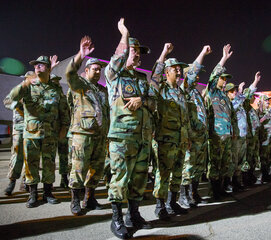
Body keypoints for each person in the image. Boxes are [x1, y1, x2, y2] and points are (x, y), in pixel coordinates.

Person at [104, 18, 153, 239]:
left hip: (142, 138)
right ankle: (116, 219)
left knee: (139, 179)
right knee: (120, 179)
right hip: (121, 137)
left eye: (139, 52)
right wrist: (124, 34)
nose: (137, 54)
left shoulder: (142, 79)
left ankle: (133, 215)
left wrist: (142, 100)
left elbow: (154, 102)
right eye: (134, 50)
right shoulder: (114, 74)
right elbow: (117, 59)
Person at [5, 55, 70, 208]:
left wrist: (64, 128)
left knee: (48, 164)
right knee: (31, 165)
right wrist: (25, 83)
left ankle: (47, 193)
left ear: (48, 68)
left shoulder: (56, 88)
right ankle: (33, 194)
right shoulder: (28, 86)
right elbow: (10, 98)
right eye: (35, 65)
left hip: (50, 134)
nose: (37, 67)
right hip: (31, 133)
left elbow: (64, 110)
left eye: (41, 65)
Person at [66, 36, 109, 216]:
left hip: (100, 135)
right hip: (83, 133)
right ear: (87, 70)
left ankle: (90, 198)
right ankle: (75, 200)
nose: (98, 72)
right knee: (79, 167)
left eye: (100, 69)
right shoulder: (79, 85)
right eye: (95, 69)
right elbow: (69, 73)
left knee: (97, 168)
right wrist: (81, 55)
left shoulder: (102, 90)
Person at [150, 43, 191, 218]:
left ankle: (172, 202)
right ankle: (160, 206)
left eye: (179, 70)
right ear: (167, 72)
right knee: (163, 173)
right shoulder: (161, 89)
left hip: (180, 139)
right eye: (175, 69)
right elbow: (155, 76)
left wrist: (187, 137)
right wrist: (164, 53)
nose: (179, 72)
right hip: (165, 139)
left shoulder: (180, 93)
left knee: (178, 173)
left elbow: (185, 117)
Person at [179, 45, 212, 207]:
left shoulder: (196, 93)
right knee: (188, 167)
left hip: (200, 137)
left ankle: (194, 192)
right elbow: (193, 73)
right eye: (195, 75)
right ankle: (183, 195)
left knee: (198, 167)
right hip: (190, 136)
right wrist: (202, 54)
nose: (198, 77)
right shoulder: (184, 89)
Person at [204, 44, 236, 200]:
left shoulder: (224, 97)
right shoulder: (212, 91)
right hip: (216, 135)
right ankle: (214, 191)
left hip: (226, 135)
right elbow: (212, 75)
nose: (224, 81)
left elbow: (230, 117)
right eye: (222, 78)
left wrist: (232, 132)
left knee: (225, 163)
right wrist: (223, 58)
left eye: (225, 79)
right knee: (215, 163)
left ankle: (221, 188)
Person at [3, 71, 35, 195]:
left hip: (32, 128)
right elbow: (6, 101)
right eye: (29, 78)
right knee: (17, 156)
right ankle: (11, 182)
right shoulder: (18, 90)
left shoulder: (35, 92)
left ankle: (25, 182)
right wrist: (17, 103)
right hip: (19, 127)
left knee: (30, 156)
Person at [50, 73, 70, 188]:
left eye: (57, 81)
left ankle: (64, 178)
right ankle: (49, 181)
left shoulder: (63, 98)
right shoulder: (46, 96)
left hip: (62, 131)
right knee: (49, 158)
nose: (56, 83)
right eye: (53, 81)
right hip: (49, 132)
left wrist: (64, 128)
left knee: (63, 156)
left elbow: (66, 115)